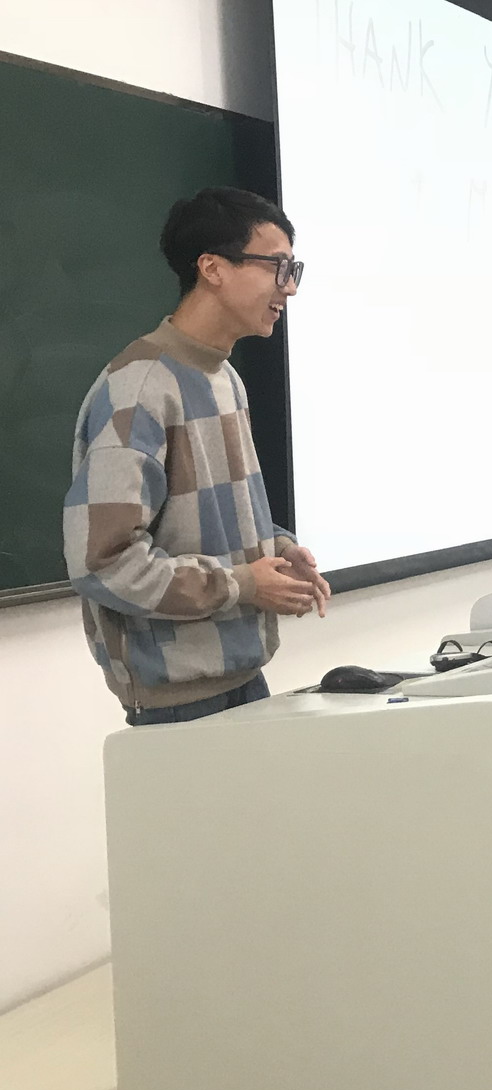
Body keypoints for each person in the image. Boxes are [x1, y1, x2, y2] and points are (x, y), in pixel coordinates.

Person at [63, 187, 330, 726]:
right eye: (278, 267)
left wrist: (278, 550)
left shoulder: (225, 377)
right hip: (177, 699)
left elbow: (206, 518)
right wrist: (245, 583)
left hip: (242, 674)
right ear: (212, 268)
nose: (291, 287)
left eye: (293, 268)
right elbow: (103, 563)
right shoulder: (140, 389)